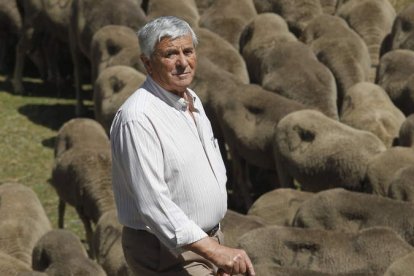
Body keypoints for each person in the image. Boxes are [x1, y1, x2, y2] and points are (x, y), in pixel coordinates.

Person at [110, 16, 256, 276]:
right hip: (167, 251)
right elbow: (154, 205)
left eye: (188, 51)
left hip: (203, 241)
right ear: (147, 63)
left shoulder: (192, 100)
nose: (182, 63)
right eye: (170, 54)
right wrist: (214, 251)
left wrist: (215, 244)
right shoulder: (138, 118)